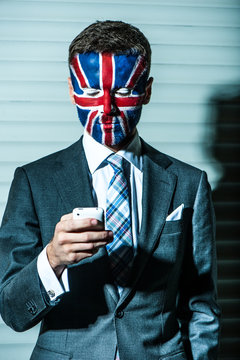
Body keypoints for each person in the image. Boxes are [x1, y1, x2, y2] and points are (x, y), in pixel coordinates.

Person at [0, 20, 220, 360]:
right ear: (72, 89)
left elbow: (201, 304)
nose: (106, 108)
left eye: (121, 91)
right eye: (90, 92)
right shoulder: (33, 181)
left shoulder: (189, 184)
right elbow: (12, 312)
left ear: (146, 90)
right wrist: (52, 260)